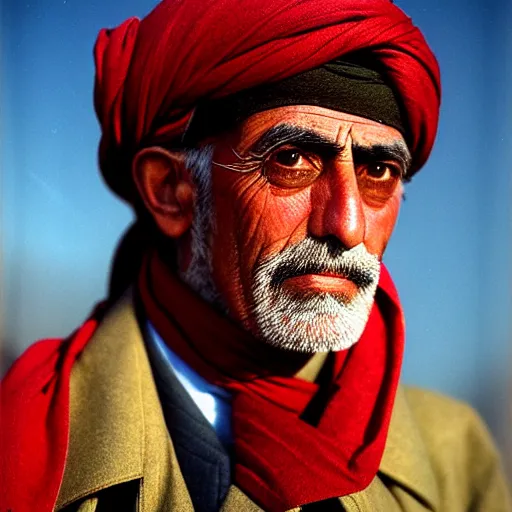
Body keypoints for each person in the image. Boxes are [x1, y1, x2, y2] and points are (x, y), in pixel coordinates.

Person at [1, 0, 511, 511]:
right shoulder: (22, 439)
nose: (347, 226)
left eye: (378, 171)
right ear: (170, 190)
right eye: (291, 160)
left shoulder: (455, 460)